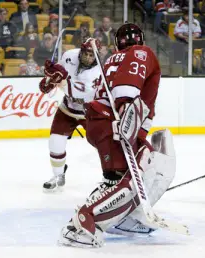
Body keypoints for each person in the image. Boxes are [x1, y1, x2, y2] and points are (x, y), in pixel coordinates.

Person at [58, 23, 176, 247]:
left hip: (101, 121)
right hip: (114, 121)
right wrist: (126, 116)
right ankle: (84, 223)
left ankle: (124, 218)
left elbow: (135, 100)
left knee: (116, 178)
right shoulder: (141, 52)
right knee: (136, 175)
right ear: (140, 40)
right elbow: (126, 88)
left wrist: (137, 132)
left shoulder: (112, 60)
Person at [39, 38, 101, 191]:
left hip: (89, 112)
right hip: (67, 109)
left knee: (103, 146)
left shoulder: (98, 72)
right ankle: (58, 174)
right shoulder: (69, 55)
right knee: (55, 141)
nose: (88, 57)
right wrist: (51, 77)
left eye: (92, 55)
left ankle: (113, 178)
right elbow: (58, 73)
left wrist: (62, 81)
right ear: (81, 50)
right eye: (86, 53)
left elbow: (80, 94)